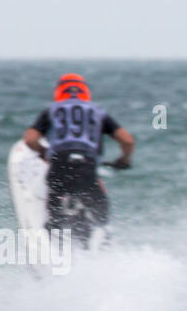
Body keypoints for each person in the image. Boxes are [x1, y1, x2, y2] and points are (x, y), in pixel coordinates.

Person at [22, 74, 135, 244]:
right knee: (100, 215)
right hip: (87, 169)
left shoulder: (52, 110)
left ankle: (52, 240)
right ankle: (102, 244)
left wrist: (43, 152)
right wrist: (124, 160)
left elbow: (30, 139)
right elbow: (127, 140)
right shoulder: (98, 112)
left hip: (59, 165)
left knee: (55, 210)